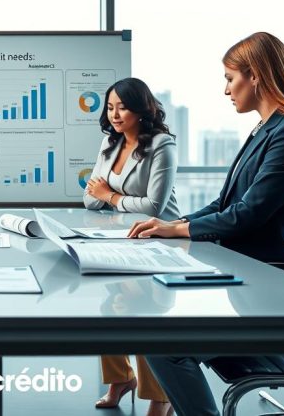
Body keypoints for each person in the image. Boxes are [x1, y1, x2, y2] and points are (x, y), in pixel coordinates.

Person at [130, 32, 284, 416]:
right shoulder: (264, 129)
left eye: (230, 77)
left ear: (255, 75)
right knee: (157, 325)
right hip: (247, 281)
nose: (226, 90)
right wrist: (176, 223)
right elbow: (226, 203)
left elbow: (251, 212)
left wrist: (178, 230)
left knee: (162, 340)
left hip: (277, 295)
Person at [83, 77, 178, 415]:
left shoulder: (161, 145)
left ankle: (159, 396)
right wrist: (106, 198)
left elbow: (154, 206)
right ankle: (120, 379)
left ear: (141, 109)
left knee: (142, 312)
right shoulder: (109, 144)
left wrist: (110, 195)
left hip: (161, 239)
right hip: (122, 237)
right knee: (107, 309)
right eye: (110, 107)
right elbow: (89, 199)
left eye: (122, 107)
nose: (115, 114)